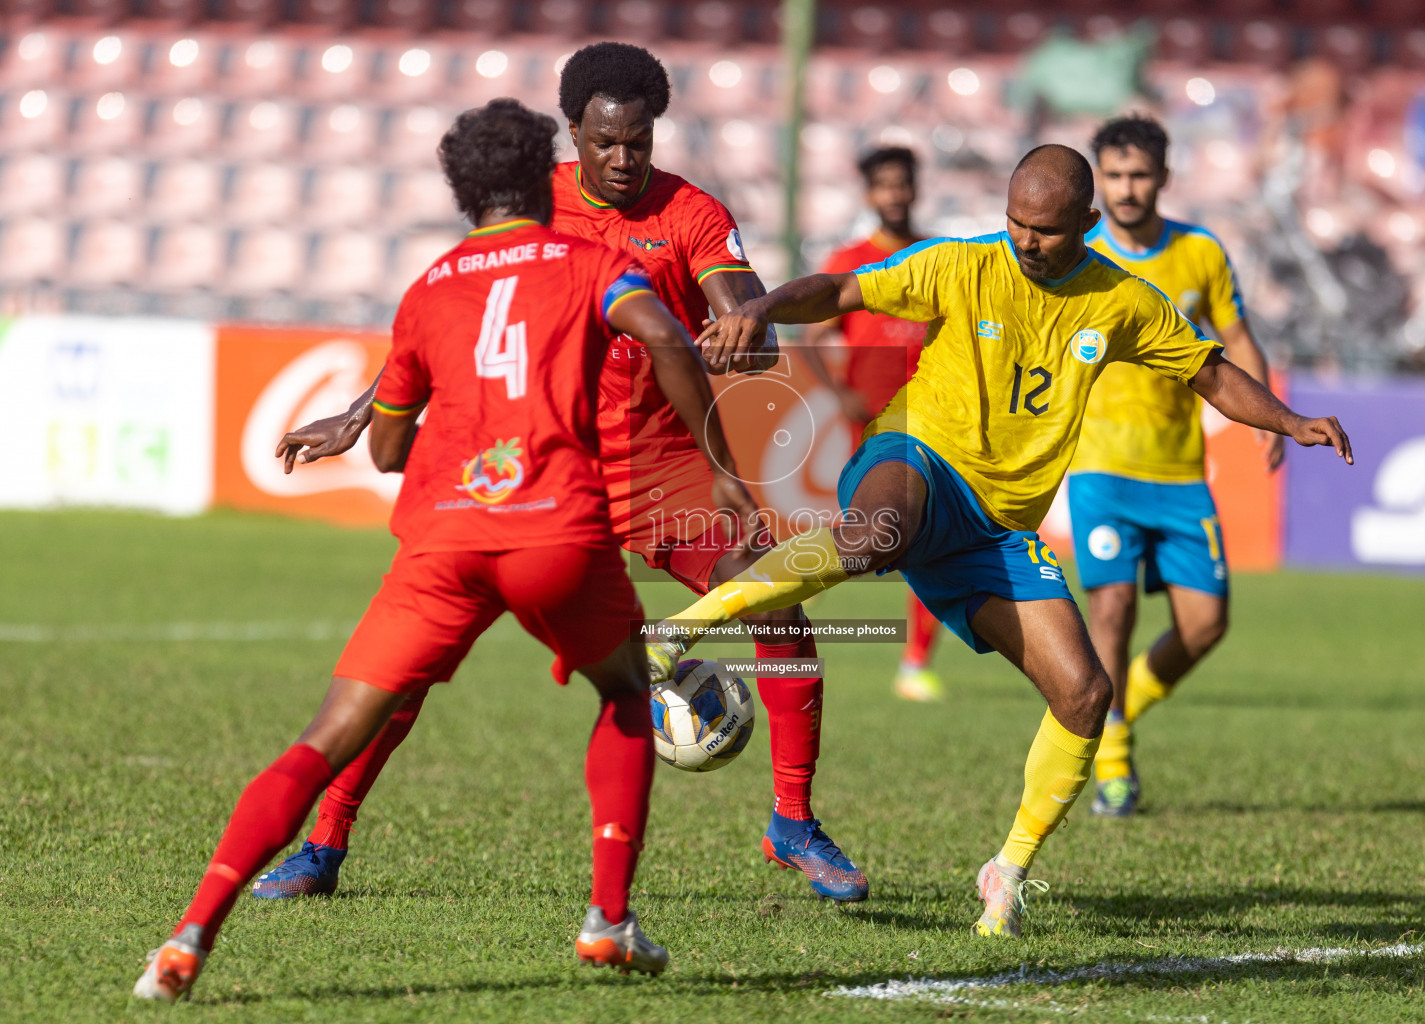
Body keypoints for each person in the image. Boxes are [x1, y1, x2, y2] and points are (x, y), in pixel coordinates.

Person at [647, 145, 1352, 938]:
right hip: (914, 457)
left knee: (1085, 694)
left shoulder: (1122, 302)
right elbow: (842, 289)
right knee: (876, 531)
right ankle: (673, 636)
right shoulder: (962, 264)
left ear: (1086, 224)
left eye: (1046, 230)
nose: (1025, 240)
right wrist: (762, 308)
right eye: (1015, 222)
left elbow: (1211, 372)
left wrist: (1291, 421)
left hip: (998, 530)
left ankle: (1005, 873)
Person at [269, 43, 868, 904]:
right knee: (407, 659)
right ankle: (324, 841)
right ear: (574, 133)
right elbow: (461, 314)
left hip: (665, 466)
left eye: (640, 142)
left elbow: (740, 296)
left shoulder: (693, 212)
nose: (624, 161)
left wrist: (749, 325)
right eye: (605, 143)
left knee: (773, 596)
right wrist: (364, 412)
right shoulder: (530, 202)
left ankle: (793, 821)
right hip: (545, 462)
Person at [134, 99, 691, 1002]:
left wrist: (407, 415)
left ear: (462, 191)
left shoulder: (430, 287)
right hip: (557, 530)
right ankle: (608, 920)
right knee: (628, 694)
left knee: (325, 736)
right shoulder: (598, 263)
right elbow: (665, 336)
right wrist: (727, 468)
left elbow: (388, 452)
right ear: (545, 176)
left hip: (446, 536)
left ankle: (188, 938)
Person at [1072, 115, 1285, 819]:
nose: (1127, 189)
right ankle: (1113, 759)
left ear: (1163, 177)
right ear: (1099, 179)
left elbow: (1239, 339)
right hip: (1100, 466)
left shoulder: (1199, 253)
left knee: (1205, 626)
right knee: (1112, 605)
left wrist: (1268, 418)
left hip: (1179, 471)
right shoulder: (1079, 258)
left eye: (1138, 175)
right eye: (1114, 176)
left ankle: (1123, 700)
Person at [800, 146, 946, 704]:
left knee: (930, 538)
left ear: (915, 188)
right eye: (884, 185)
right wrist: (839, 391)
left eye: (903, 183)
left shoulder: (938, 256)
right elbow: (815, 336)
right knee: (862, 533)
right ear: (870, 194)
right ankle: (800, 595)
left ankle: (915, 663)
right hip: (873, 423)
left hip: (934, 421)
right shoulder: (850, 260)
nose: (895, 194)